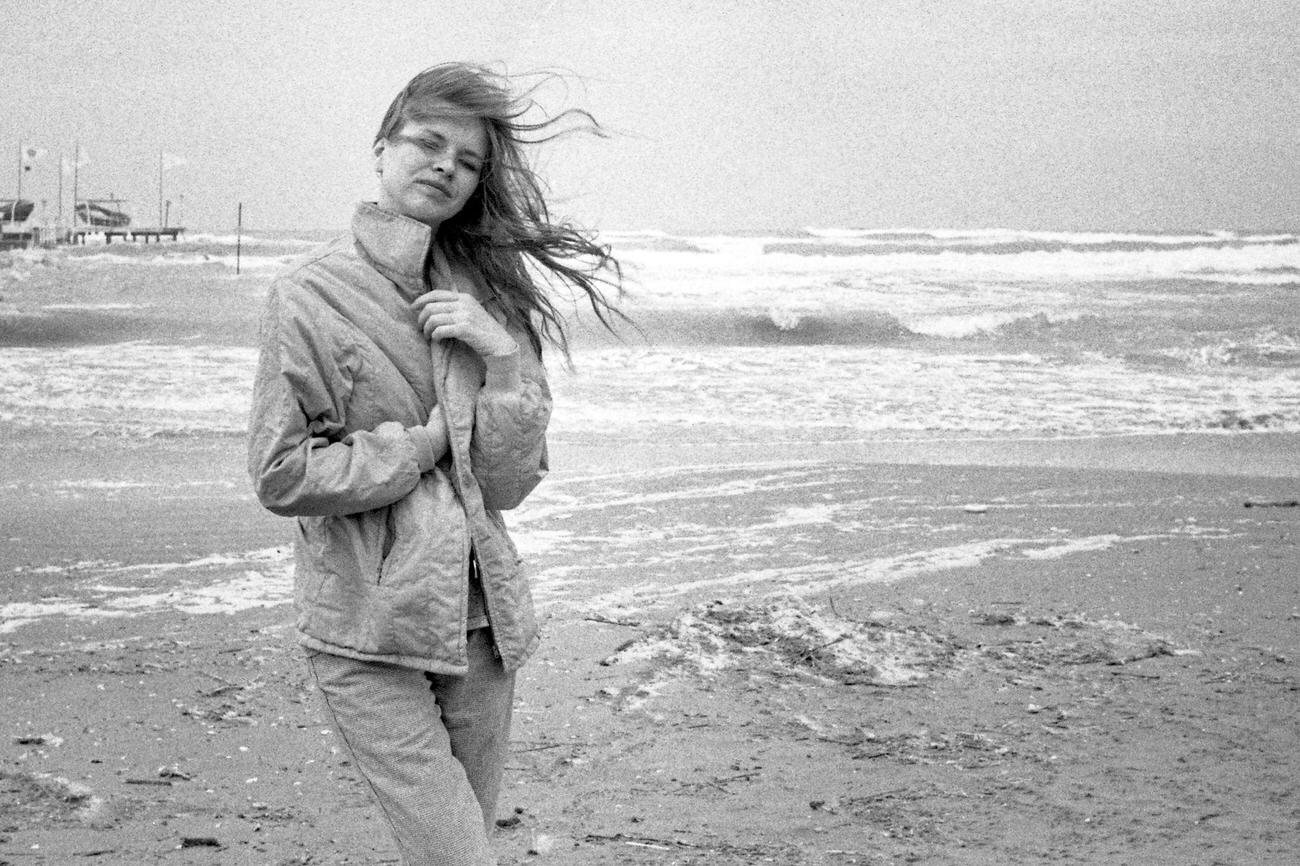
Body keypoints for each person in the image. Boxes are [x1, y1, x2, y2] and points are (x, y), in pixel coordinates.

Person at [247, 62, 621, 865]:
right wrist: (421, 445)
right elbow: (282, 472)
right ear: (382, 146)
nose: (447, 166)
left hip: (482, 623)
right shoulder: (309, 293)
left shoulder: (486, 292)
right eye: (428, 142)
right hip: (366, 627)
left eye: (470, 161)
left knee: (457, 851)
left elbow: (507, 486)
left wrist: (503, 362)